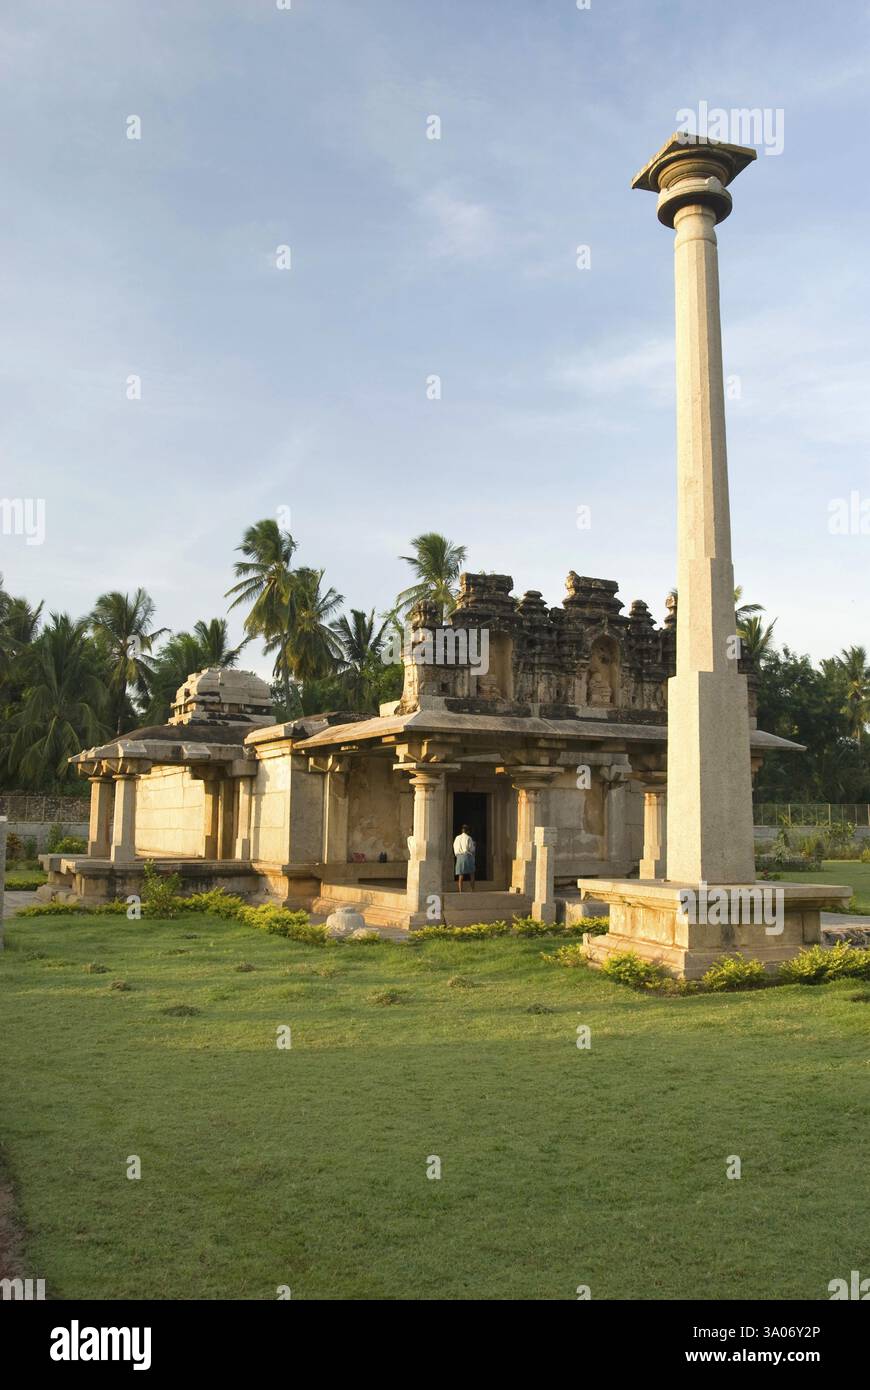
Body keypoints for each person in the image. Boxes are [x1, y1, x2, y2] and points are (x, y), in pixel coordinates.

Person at [453, 823, 476, 893]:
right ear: (468, 831)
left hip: (459, 857)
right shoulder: (468, 838)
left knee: (461, 875)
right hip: (467, 856)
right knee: (472, 874)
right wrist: (474, 845)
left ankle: (460, 891)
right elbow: (471, 849)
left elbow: (454, 846)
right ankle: (472, 890)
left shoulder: (457, 837)